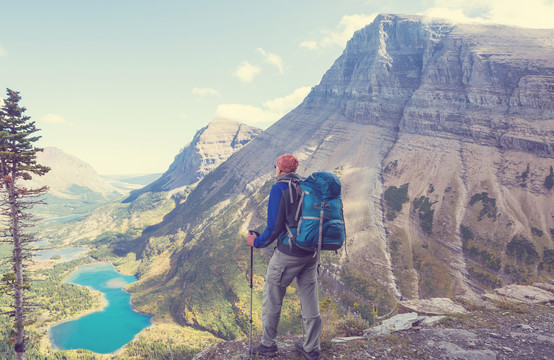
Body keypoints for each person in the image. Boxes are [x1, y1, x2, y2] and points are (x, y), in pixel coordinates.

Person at [246, 154, 321, 360]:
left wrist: (257, 242)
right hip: (311, 251)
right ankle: (311, 348)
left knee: (272, 297)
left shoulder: (279, 188)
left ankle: (268, 345)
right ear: (295, 169)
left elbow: (274, 227)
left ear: (279, 169)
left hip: (289, 253)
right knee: (309, 298)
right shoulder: (308, 185)